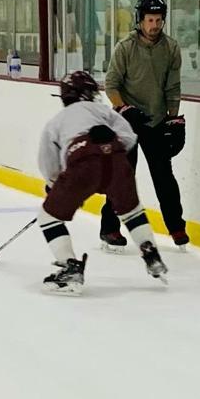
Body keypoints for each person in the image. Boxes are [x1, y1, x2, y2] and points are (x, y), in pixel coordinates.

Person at [36, 71, 169, 295]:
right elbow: (128, 136)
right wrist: (110, 155)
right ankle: (150, 253)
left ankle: (70, 267)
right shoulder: (103, 110)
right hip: (117, 159)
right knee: (131, 211)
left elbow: (47, 162)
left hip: (82, 163)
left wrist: (55, 184)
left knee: (48, 216)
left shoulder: (57, 121)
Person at [102, 0, 189, 249]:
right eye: (150, 20)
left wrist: (173, 120)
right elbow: (111, 84)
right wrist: (123, 108)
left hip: (156, 122)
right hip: (127, 123)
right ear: (140, 20)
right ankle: (109, 229)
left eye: (159, 20)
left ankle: (176, 227)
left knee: (164, 178)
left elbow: (173, 88)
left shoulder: (171, 48)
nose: (154, 25)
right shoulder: (125, 47)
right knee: (122, 178)